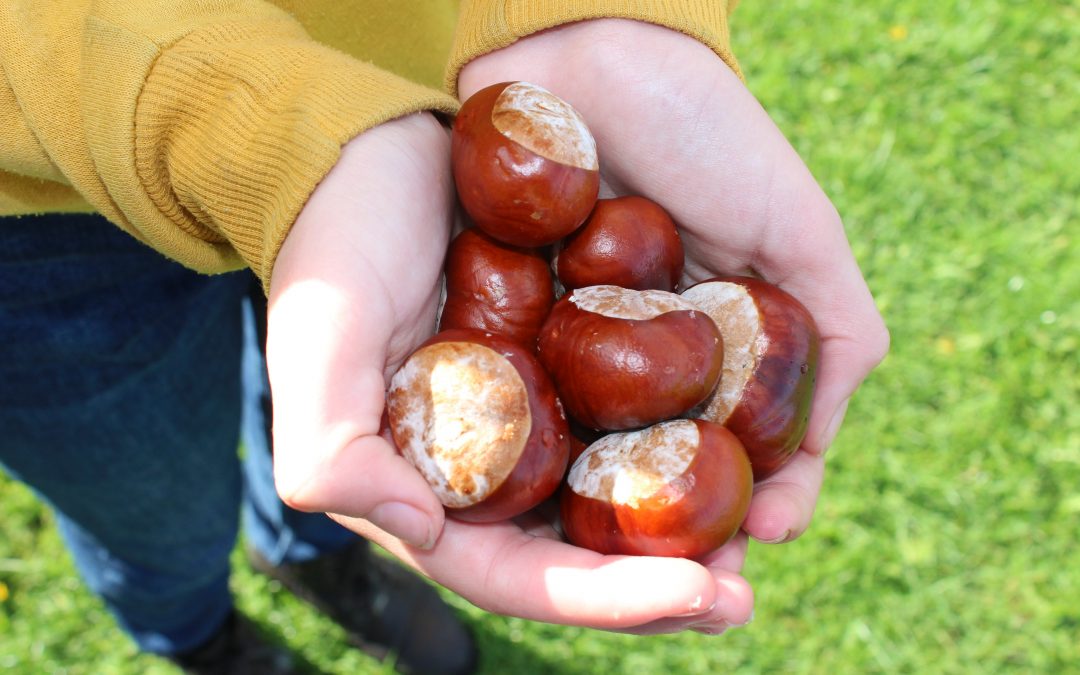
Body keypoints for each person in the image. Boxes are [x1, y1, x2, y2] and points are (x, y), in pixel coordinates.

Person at [0, 2, 890, 673]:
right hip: (43, 203)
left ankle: (313, 552)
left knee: (331, 411)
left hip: (410, 97)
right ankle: (192, 627)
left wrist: (594, 20)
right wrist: (265, 133)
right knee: (148, 491)